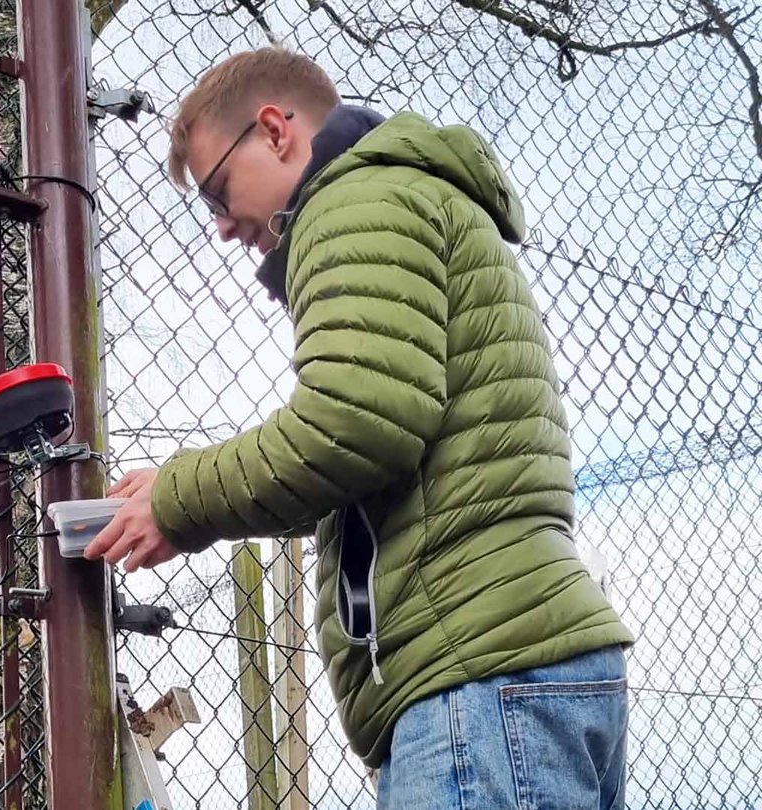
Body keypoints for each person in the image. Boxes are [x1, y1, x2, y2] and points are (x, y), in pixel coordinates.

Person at [83, 45, 634, 808]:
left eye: (217, 193)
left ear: (275, 130)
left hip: (474, 671)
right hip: (517, 666)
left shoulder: (352, 200)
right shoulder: (406, 196)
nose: (221, 227)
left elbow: (359, 421)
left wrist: (179, 499)